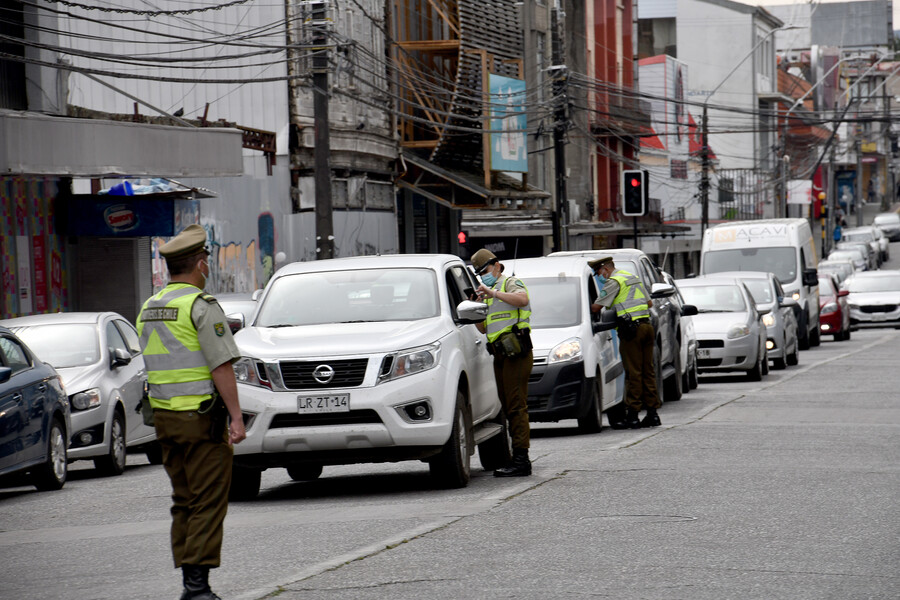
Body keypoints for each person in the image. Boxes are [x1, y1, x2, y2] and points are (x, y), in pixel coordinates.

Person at [136, 225, 246, 600]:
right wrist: (236, 417)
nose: (208, 268)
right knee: (207, 502)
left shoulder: (149, 308)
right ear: (200, 264)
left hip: (165, 421)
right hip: (200, 420)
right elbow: (221, 366)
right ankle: (197, 589)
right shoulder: (200, 306)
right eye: (207, 262)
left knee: (183, 501)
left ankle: (190, 583)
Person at [470, 248, 533, 477]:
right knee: (508, 406)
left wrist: (493, 294)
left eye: (484, 270)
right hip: (500, 355)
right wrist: (476, 308)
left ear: (496, 265)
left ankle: (521, 460)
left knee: (516, 406)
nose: (483, 276)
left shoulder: (509, 283)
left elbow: (522, 299)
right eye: (479, 274)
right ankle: (515, 456)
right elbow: (484, 328)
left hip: (516, 352)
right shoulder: (489, 292)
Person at [589, 256, 660, 429]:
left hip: (631, 331)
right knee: (647, 371)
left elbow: (596, 308)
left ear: (605, 269)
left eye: (599, 272)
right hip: (646, 326)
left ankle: (633, 416)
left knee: (633, 373)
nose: (600, 276)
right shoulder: (631, 277)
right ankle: (653, 414)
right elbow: (649, 302)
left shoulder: (613, 281)